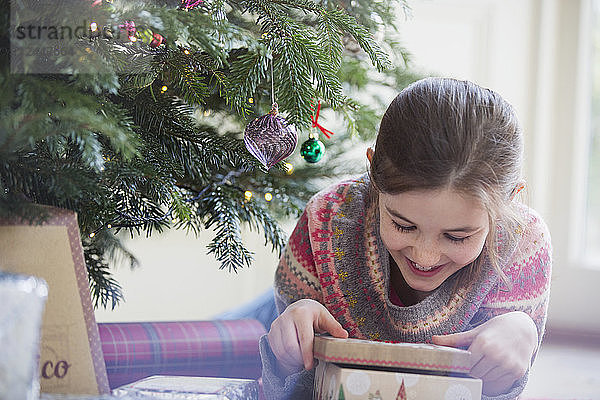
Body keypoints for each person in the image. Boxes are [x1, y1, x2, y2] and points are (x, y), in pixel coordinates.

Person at [259, 77, 552, 400]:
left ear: (510, 200)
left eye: (456, 237)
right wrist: (286, 357)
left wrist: (507, 367)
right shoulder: (326, 218)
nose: (425, 256)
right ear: (373, 175)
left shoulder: (523, 244)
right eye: (403, 225)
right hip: (285, 295)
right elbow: (287, 391)